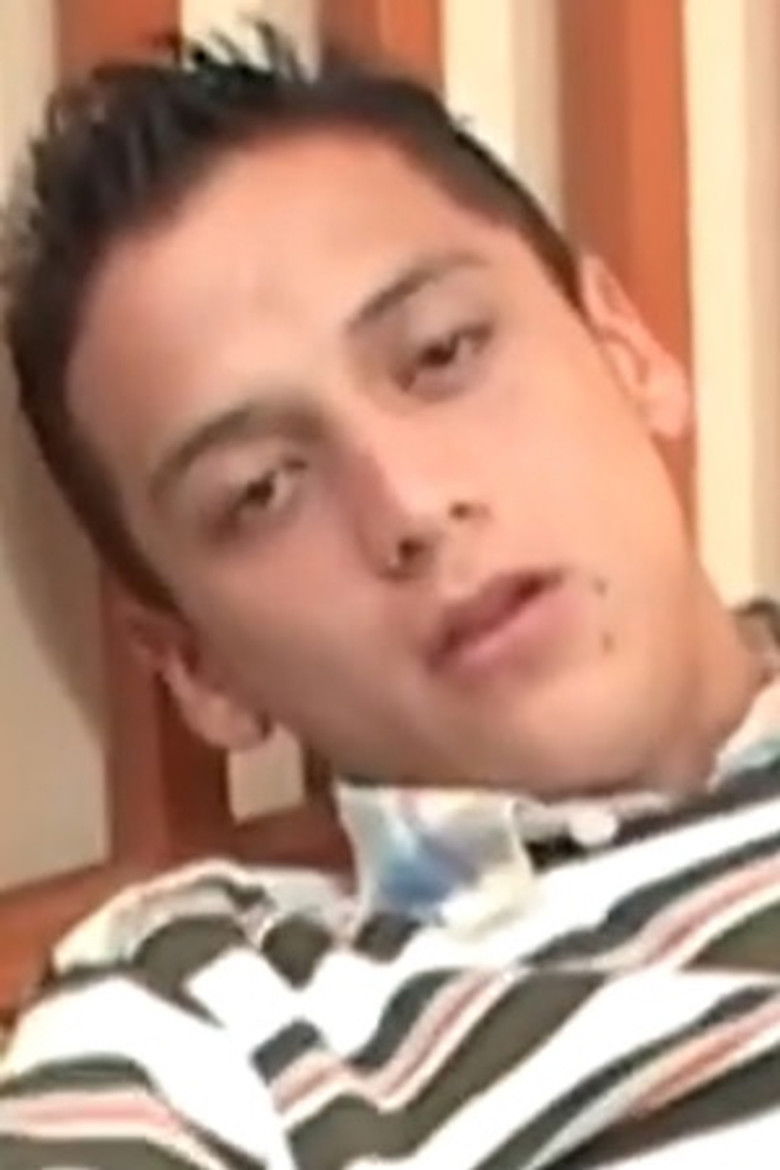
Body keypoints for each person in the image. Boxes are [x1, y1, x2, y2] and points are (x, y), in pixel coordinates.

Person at [2, 22, 780, 1170]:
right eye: (263, 490)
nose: (409, 504)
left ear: (627, 350)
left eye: (443, 353)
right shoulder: (200, 1030)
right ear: (200, 669)